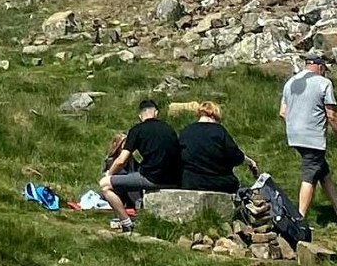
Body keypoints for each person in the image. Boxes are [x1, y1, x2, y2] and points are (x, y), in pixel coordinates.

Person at [281, 55, 337, 224]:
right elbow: (332, 116)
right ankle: (299, 221)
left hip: (294, 135)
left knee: (323, 172)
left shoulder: (290, 82)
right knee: (310, 175)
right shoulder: (323, 83)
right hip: (313, 137)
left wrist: (296, 124)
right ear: (320, 67)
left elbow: (282, 112)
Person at [101, 99, 181, 231]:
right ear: (156, 113)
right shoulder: (169, 129)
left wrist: (109, 174)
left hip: (152, 179)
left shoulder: (137, 130)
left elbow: (121, 160)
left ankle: (126, 223)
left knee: (104, 185)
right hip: (175, 179)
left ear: (140, 116)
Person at [178, 101, 258, 193]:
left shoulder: (185, 131)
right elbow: (235, 156)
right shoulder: (219, 131)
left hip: (190, 182)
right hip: (216, 182)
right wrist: (250, 162)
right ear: (214, 115)